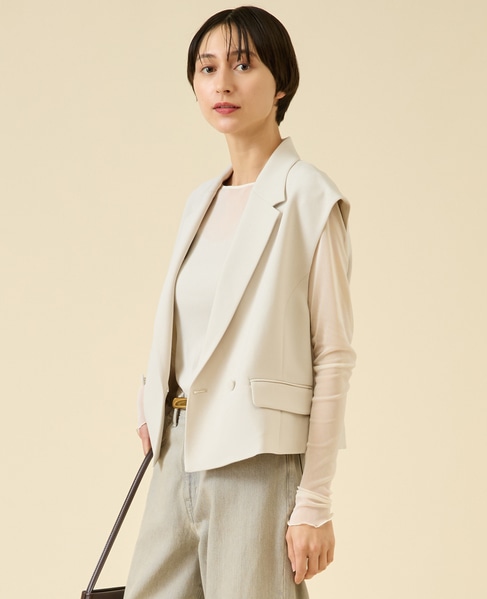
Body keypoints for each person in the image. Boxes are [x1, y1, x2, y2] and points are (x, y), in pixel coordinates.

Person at [125, 6, 355, 599]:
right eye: (207, 68)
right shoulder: (201, 200)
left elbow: (332, 355)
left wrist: (314, 501)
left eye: (243, 65)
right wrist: (152, 394)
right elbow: (190, 323)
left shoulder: (309, 197)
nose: (222, 83)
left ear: (281, 84)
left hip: (256, 459)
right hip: (178, 449)